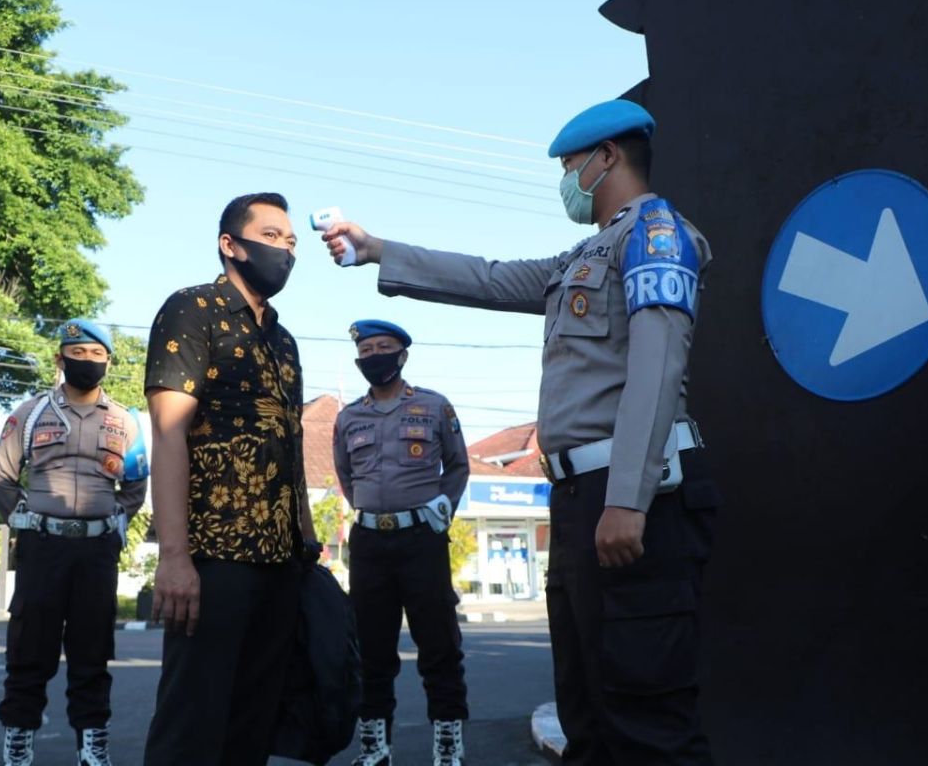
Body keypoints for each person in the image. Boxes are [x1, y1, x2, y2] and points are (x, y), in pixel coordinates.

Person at [321, 99, 720, 765]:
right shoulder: (584, 253)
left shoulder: (655, 233)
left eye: (570, 166)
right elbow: (489, 276)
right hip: (578, 499)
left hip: (630, 494)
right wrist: (378, 251)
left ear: (607, 157)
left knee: (648, 715)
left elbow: (658, 364)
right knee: (588, 710)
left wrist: (628, 497)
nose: (566, 179)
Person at [142, 192, 319, 765]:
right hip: (214, 557)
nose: (286, 251)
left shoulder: (284, 340)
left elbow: (289, 450)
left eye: (292, 242)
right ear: (230, 244)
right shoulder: (190, 310)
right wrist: (174, 558)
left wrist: (306, 545)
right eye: (272, 237)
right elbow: (168, 433)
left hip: (281, 561)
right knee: (192, 728)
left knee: (253, 729)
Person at [0, 318, 149, 766]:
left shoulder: (126, 422)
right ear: (61, 358)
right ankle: (19, 739)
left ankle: (93, 743)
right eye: (78, 354)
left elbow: (135, 487)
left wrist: (113, 525)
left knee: (93, 651)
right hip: (43, 546)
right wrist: (25, 524)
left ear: (108, 363)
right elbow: (2, 478)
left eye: (97, 356)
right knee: (29, 649)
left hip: (97, 552)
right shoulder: (29, 413)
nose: (87, 362)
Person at [332, 319, 471, 766]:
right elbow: (346, 476)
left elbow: (457, 464)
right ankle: (375, 746)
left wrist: (441, 509)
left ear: (403, 355)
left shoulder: (434, 407)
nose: (375, 355)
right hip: (369, 542)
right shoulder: (348, 417)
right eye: (367, 349)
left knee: (439, 645)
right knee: (372, 647)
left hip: (422, 540)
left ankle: (448, 744)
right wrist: (372, 509)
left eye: (384, 347)